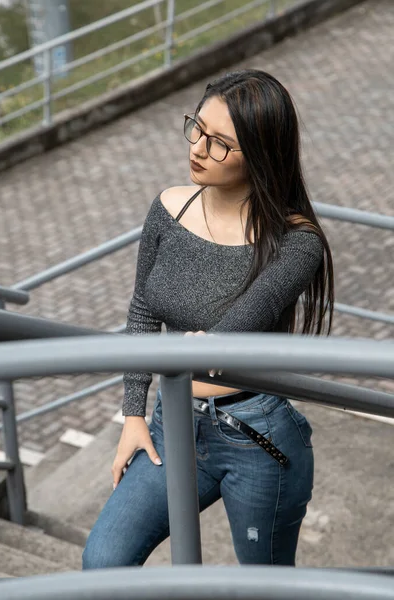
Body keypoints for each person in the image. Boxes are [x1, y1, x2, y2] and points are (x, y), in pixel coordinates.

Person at [82, 69, 334, 568]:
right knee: (102, 561)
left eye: (220, 144)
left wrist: (193, 349)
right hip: (171, 422)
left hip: (255, 433)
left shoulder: (295, 243)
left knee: (264, 583)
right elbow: (143, 308)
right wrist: (133, 413)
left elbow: (224, 339)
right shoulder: (168, 208)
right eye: (197, 128)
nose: (198, 147)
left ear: (260, 154)